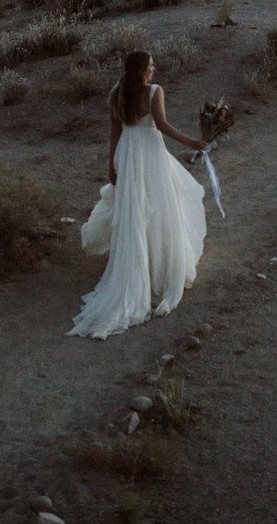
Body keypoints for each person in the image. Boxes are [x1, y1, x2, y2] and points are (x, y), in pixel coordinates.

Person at [67, 50, 209, 340]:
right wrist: (192, 142)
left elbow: (115, 132)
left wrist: (112, 165)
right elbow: (163, 125)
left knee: (136, 209)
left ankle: (144, 264)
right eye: (151, 64)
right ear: (143, 69)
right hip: (150, 152)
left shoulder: (117, 93)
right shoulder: (154, 91)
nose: (154, 67)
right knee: (159, 205)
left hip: (128, 154)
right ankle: (161, 267)